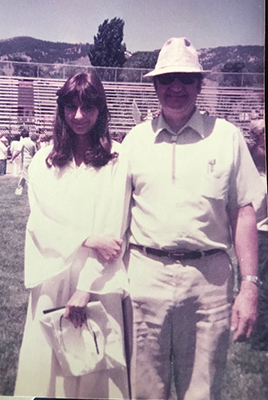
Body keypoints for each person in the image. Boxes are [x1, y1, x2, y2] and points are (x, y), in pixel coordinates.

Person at [122, 37, 263, 400]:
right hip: (144, 278)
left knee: (202, 391)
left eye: (186, 78)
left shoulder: (227, 138)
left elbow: (244, 212)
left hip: (209, 285)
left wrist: (249, 286)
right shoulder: (135, 142)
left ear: (200, 84)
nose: (176, 87)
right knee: (144, 390)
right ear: (155, 85)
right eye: (167, 79)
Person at [14, 72, 130, 398]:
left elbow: (113, 229)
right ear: (61, 110)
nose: (79, 116)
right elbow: (41, 221)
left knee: (97, 369)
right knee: (46, 369)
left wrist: (85, 288)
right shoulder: (44, 161)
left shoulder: (116, 160)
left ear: (101, 110)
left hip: (98, 280)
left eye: (88, 107)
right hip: (53, 276)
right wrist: (85, 239)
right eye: (71, 106)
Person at [245, 119, 268, 351]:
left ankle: (260, 337)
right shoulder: (260, 184)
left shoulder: (257, 184)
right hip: (262, 236)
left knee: (262, 286)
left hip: (261, 234)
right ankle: (261, 338)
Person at [12, 128, 37, 195]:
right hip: (31, 160)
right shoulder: (32, 143)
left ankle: (32, 192)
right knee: (23, 176)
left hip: (25, 161)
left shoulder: (22, 142)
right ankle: (19, 190)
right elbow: (35, 153)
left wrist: (12, 158)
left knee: (27, 178)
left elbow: (18, 151)